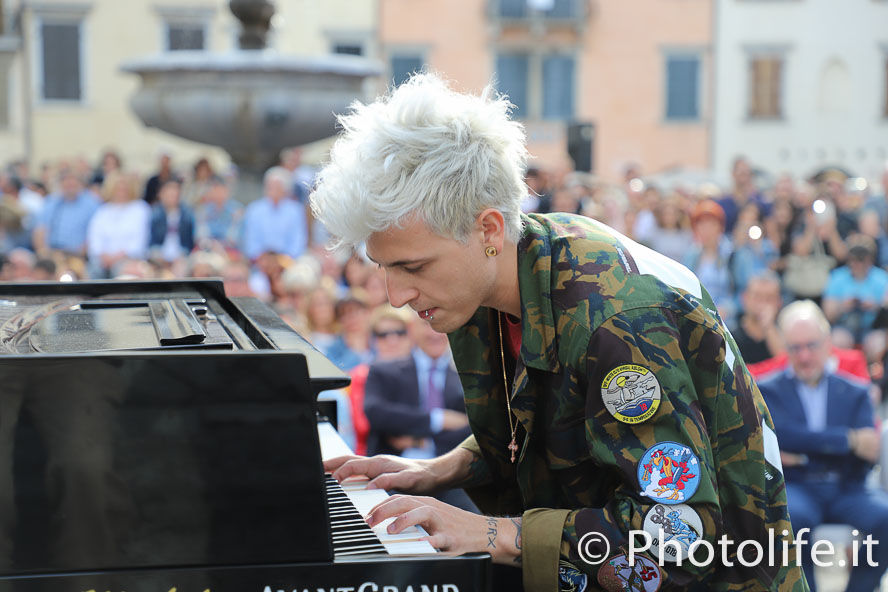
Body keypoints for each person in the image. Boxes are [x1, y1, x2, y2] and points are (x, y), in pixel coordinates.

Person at [312, 73, 805, 591]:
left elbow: (676, 540)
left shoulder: (615, 321)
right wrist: (446, 467)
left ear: (488, 229)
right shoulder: (502, 271)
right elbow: (564, 422)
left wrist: (495, 534)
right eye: (385, 268)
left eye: (412, 267)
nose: (394, 295)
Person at [758, 300, 888, 592]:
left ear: (828, 343)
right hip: (797, 488)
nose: (804, 356)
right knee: (789, 520)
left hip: (848, 486)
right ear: (784, 348)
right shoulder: (767, 390)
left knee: (885, 518)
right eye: (795, 348)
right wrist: (847, 440)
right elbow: (780, 438)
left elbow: (868, 452)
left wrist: (803, 452)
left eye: (811, 345)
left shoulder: (855, 391)